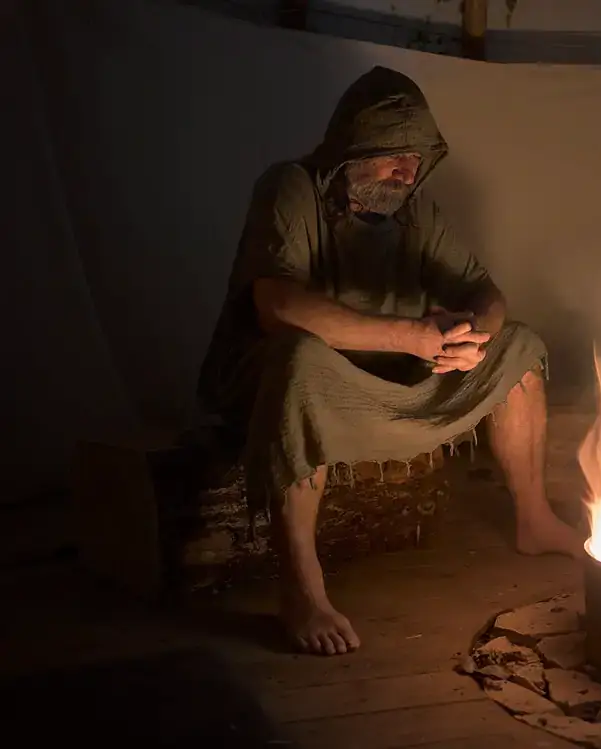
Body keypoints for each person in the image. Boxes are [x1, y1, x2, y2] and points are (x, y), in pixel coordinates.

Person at [197, 66, 581, 657]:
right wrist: (411, 336)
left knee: (520, 345)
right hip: (293, 382)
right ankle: (303, 589)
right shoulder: (292, 189)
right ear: (353, 147)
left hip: (390, 377)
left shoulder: (415, 212)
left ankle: (533, 518)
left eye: (417, 158)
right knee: (300, 357)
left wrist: (472, 336)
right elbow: (277, 306)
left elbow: (486, 293)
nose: (407, 171)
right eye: (392, 155)